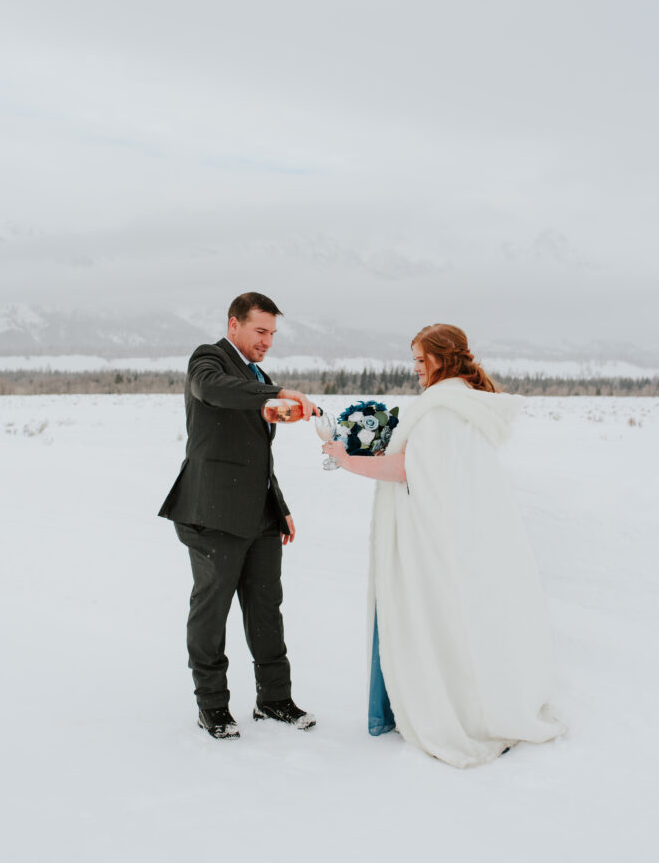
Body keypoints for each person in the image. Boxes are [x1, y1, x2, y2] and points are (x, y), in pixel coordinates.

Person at [323, 324, 566, 768]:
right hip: (467, 532)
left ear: (444, 358)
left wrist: (346, 460)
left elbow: (410, 470)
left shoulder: (439, 410)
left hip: (432, 539)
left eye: (421, 360)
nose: (415, 369)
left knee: (434, 620)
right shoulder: (467, 403)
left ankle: (454, 708)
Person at [159, 292, 318, 739]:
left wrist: (279, 505)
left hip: (260, 514)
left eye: (272, 333)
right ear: (234, 325)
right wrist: (274, 392)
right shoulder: (208, 360)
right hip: (212, 511)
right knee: (211, 612)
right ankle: (211, 706)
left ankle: (274, 700)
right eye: (260, 331)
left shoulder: (257, 375)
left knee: (267, 608)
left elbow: (257, 453)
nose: (267, 341)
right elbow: (210, 389)